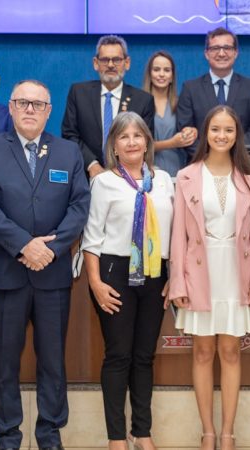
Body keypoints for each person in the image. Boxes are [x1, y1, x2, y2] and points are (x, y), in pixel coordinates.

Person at [0, 80, 90, 450]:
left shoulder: (68, 152)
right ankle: (8, 437)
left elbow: (80, 205)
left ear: (49, 111)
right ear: (11, 107)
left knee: (53, 360)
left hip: (52, 275)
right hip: (6, 273)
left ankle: (50, 436)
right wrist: (24, 245)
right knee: (5, 362)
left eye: (38, 104)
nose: (30, 110)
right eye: (23, 103)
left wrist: (50, 250)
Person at [169, 105, 250, 450]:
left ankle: (228, 433)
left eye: (228, 130)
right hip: (199, 271)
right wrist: (178, 283)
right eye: (215, 130)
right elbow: (178, 233)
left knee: (231, 350)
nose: (221, 136)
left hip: (235, 271)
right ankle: (207, 432)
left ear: (237, 134)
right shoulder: (187, 176)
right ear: (205, 134)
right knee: (202, 352)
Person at [81, 112, 174, 450]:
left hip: (154, 273)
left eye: (138, 135)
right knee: (119, 355)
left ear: (148, 142)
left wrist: (173, 275)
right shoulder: (104, 182)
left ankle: (142, 432)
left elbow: (175, 234)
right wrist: (95, 283)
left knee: (144, 356)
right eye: (124, 136)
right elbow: (91, 238)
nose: (132, 141)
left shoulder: (164, 180)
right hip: (113, 274)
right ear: (114, 146)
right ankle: (116, 437)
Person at [62, 34, 156, 179]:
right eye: (105, 60)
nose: (111, 65)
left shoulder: (143, 100)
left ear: (127, 63)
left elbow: (146, 142)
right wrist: (92, 164)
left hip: (128, 179)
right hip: (85, 177)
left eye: (117, 60)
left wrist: (120, 172)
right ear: (95, 63)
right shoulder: (78, 93)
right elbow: (69, 135)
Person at [177, 27, 250, 155]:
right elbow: (185, 131)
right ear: (206, 53)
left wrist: (233, 153)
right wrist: (210, 157)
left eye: (227, 48)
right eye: (215, 48)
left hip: (240, 163)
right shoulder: (190, 88)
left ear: (236, 53)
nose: (221, 53)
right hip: (201, 164)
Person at [141, 50, 198, 176]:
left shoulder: (182, 104)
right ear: (149, 74)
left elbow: (192, 130)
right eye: (156, 69)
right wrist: (171, 143)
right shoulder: (140, 104)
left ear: (172, 76)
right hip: (147, 171)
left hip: (178, 169)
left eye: (167, 70)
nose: (161, 74)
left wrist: (192, 132)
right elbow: (139, 145)